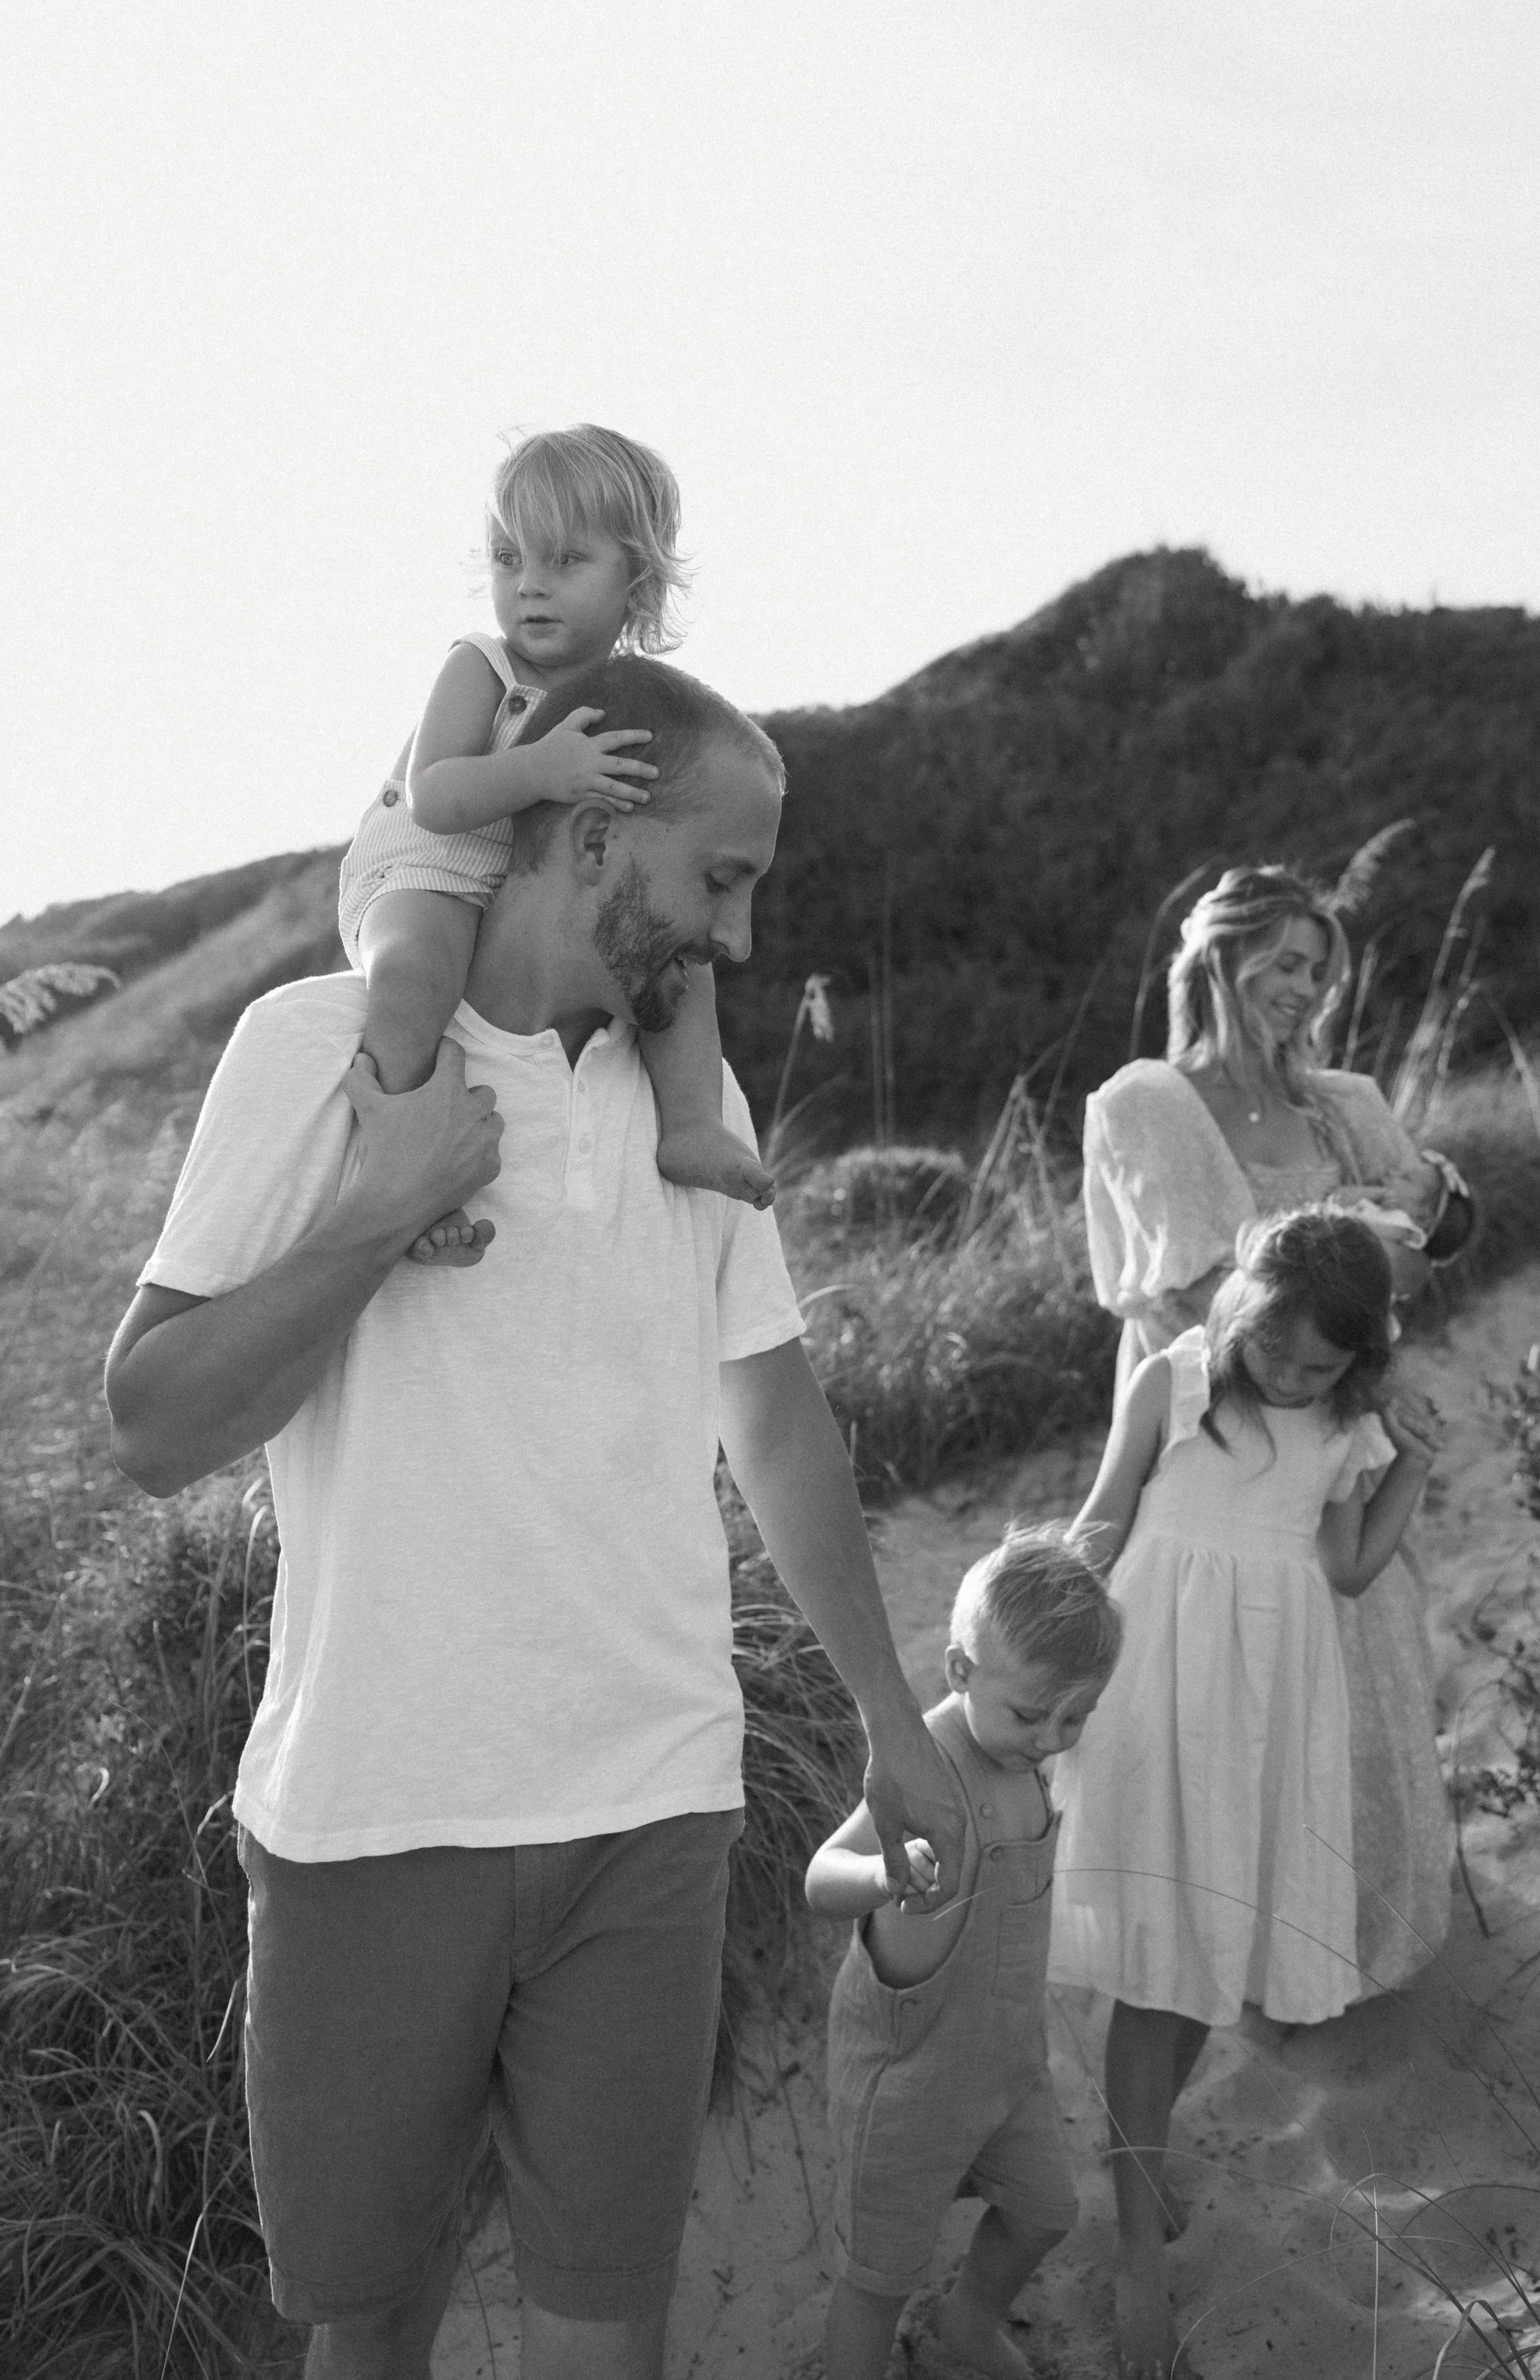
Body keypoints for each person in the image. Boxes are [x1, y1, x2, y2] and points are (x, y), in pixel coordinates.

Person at [104, 656, 965, 2380]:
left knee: (606, 2332)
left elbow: (774, 1416)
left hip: (646, 1809)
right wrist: (378, 1210)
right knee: (371, 2332)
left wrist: (885, 1713)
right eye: (715, 879)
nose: (731, 939)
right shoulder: (318, 1049)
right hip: (374, 1818)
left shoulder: (690, 1121)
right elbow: (155, 1420)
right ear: (586, 834)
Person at [1050, 1207, 1445, 2380]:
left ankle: (1143, 2155)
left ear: (1358, 1360)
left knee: (1206, 1961)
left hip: (1271, 1707)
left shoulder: (1344, 1424)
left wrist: (1413, 1461)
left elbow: (1348, 1566)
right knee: (1154, 1967)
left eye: (1318, 1362)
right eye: (1270, 1346)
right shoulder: (1176, 1387)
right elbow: (1100, 1523)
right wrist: (1042, 1644)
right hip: (1157, 1688)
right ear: (1239, 1311)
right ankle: (1133, 2248)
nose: (1286, 1371)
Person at [1083, 864, 1471, 1993]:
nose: (1306, 988)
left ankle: (1333, 1946)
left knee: (1351, 1673)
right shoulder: (1148, 1098)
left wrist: (1383, 1258)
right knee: (1218, 1682)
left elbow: (1404, 1264)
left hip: (1339, 1414)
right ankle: (1229, 1945)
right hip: (1216, 1427)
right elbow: (1197, 1293)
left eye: (1322, 970)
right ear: (1218, 957)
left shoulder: (1339, 1101)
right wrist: (1354, 1245)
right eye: (1286, 962)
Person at [338, 422, 773, 1264]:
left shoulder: (630, 698)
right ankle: (395, 1155)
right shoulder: (483, 667)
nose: (530, 588)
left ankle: (688, 1127)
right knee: (419, 975)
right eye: (510, 561)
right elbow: (438, 795)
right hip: (426, 868)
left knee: (679, 965)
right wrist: (542, 767)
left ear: (636, 583)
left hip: (524, 887)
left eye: (565, 562)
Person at [808, 1525, 1122, 2380]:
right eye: (1031, 1714)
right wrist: (882, 1874)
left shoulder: (1024, 1764)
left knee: (1046, 2210)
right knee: (876, 2278)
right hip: (908, 2079)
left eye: (1076, 1717)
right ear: (959, 1672)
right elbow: (819, 1875)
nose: (1052, 1738)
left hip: (1007, 2070)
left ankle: (969, 2318)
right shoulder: (928, 1760)